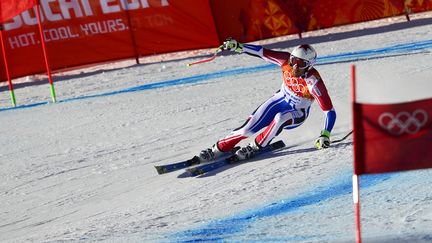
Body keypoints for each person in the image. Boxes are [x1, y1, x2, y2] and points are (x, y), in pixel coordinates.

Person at [198, 38, 336, 162]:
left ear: (309, 65)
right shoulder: (285, 60)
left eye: (300, 64)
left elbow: (329, 111)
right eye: (293, 61)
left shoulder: (313, 82)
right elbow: (261, 52)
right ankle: (218, 149)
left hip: (297, 112)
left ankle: (255, 146)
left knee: (280, 118)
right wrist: (239, 46)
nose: (295, 66)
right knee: (246, 130)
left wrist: (325, 135)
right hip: (279, 100)